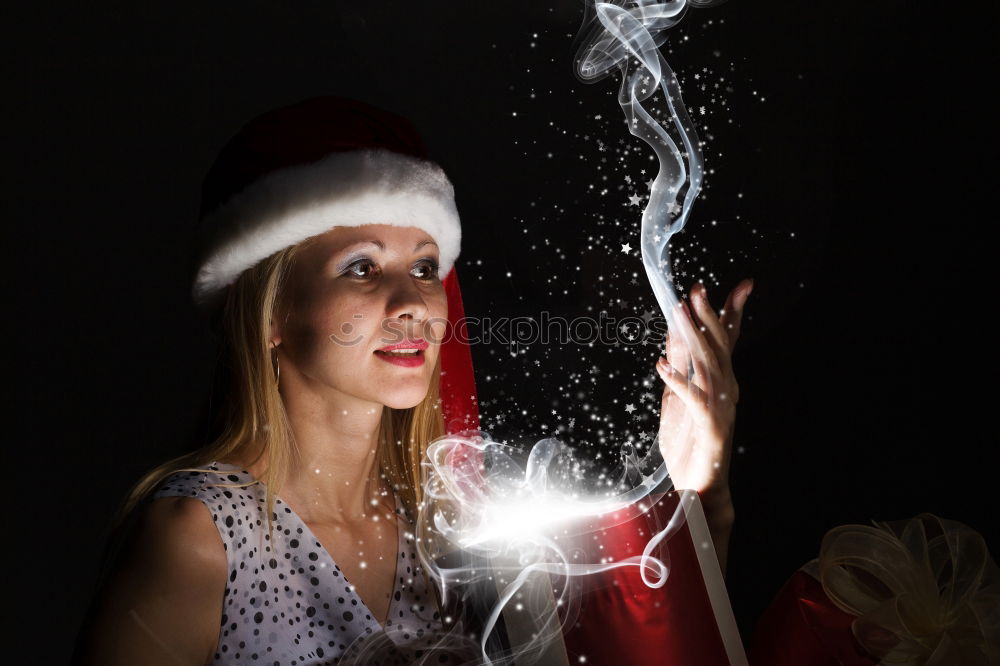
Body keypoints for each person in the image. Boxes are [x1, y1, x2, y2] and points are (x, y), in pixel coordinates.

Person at [72, 95, 753, 665]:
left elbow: (642, 643)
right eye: (362, 268)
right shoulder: (201, 536)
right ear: (272, 312)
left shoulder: (445, 532)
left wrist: (701, 490)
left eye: (425, 268)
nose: (413, 304)